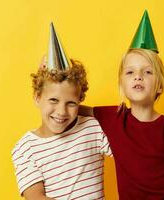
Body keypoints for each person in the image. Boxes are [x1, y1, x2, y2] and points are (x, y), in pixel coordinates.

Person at [80, 10, 164, 199]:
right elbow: (68, 107)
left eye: (148, 72)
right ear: (122, 84)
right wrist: (51, 69)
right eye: (130, 72)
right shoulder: (114, 117)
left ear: (159, 86)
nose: (138, 76)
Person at [11, 23, 112, 200]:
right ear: (37, 97)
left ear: (80, 101)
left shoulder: (92, 128)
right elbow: (35, 197)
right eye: (53, 100)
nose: (61, 111)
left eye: (71, 103)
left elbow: (131, 140)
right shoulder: (26, 148)